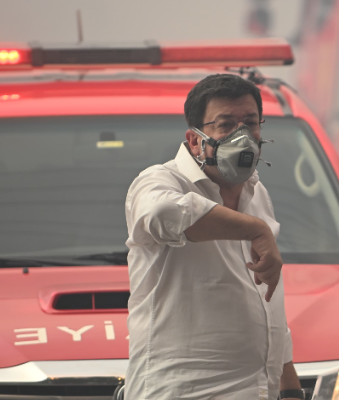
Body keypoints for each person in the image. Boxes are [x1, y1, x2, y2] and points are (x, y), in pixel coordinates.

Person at [123, 74, 304, 400]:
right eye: (226, 125)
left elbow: (268, 304)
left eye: (251, 123)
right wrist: (255, 229)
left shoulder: (257, 193)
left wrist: (290, 388)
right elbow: (164, 213)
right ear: (195, 140)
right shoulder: (158, 182)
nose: (242, 136)